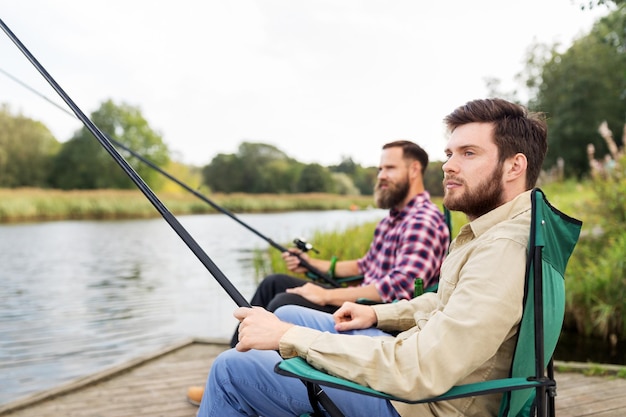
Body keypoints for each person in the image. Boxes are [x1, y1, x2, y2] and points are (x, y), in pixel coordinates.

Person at [196, 97, 549, 417]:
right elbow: (444, 304)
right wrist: (376, 312)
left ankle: (249, 390)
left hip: (425, 403)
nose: (448, 167)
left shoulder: (501, 247)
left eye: (468, 153)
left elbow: (421, 369)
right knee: (287, 310)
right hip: (421, 367)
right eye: (449, 154)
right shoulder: (494, 232)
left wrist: (293, 335)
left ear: (514, 167)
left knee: (231, 369)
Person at [186, 140, 451, 404]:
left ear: (414, 169)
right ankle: (234, 363)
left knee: (283, 302)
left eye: (389, 168)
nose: (381, 176)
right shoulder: (393, 218)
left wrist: (326, 296)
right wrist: (311, 265)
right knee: (273, 283)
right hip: (358, 300)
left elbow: (397, 288)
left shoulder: (422, 220)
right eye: (380, 169)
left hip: (377, 314)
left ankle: (261, 383)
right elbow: (364, 266)